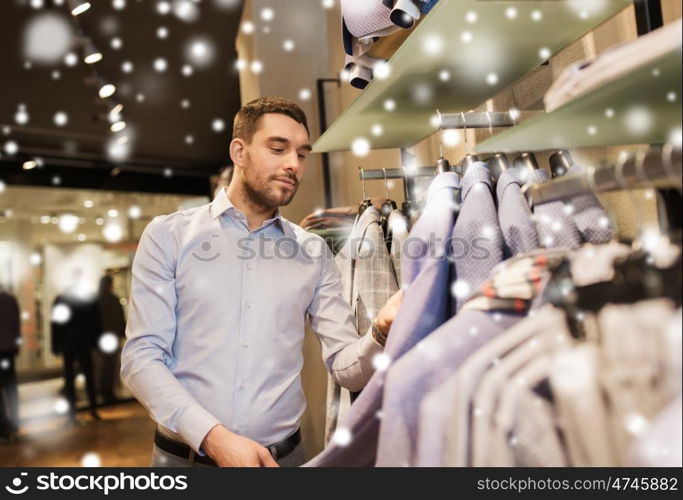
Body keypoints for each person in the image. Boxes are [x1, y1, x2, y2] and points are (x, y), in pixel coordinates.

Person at [122, 97, 403, 467]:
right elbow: (140, 359)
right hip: (182, 462)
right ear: (239, 151)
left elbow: (345, 370)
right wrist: (214, 437)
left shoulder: (313, 253)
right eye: (277, 148)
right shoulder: (168, 236)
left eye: (302, 154)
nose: (293, 165)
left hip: (282, 461)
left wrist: (381, 330)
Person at [51, 269, 102, 424]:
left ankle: (72, 413)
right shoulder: (88, 298)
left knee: (69, 377)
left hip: (68, 343)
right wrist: (96, 341)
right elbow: (96, 322)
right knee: (88, 376)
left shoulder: (62, 298)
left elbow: (56, 324)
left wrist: (56, 345)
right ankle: (92, 408)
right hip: (84, 342)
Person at [94, 275, 126, 404]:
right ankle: (108, 391)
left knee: (104, 366)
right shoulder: (113, 299)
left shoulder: (97, 300)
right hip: (112, 337)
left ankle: (104, 390)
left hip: (102, 338)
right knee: (110, 365)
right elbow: (120, 319)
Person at [0, 285, 21, 441]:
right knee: (10, 387)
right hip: (8, 349)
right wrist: (16, 345)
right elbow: (16, 325)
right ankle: (14, 421)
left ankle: (3, 424)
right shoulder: (10, 299)